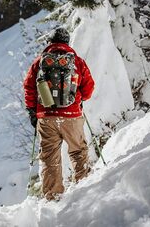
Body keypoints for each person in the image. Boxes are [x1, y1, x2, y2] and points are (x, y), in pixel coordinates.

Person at [23, 27, 95, 201]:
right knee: (78, 151)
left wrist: (33, 112)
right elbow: (88, 88)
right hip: (72, 116)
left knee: (49, 157)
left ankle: (52, 197)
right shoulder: (77, 61)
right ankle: (84, 188)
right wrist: (79, 99)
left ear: (50, 43)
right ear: (67, 43)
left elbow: (29, 87)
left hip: (46, 118)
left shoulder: (39, 62)